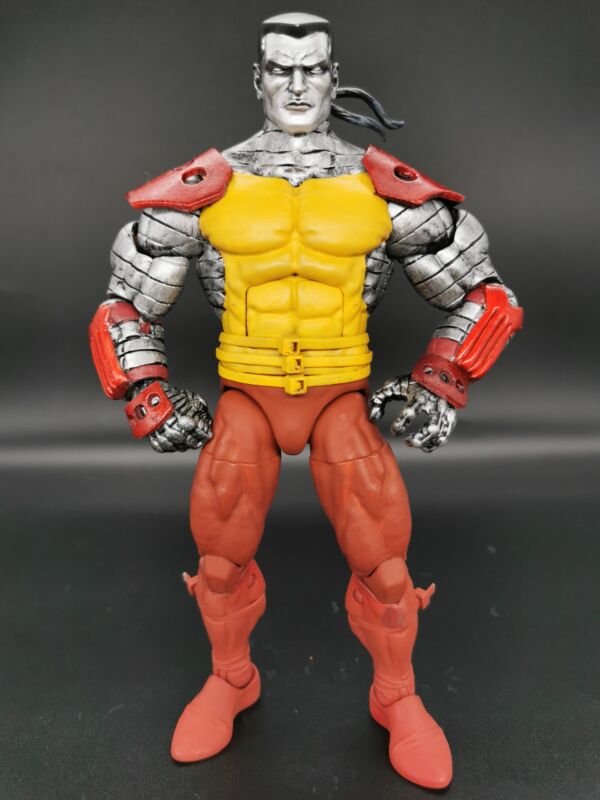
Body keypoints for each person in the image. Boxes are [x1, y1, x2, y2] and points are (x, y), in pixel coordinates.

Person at [89, 12, 522, 790]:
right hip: (247, 395)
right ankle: (231, 678)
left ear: (334, 77)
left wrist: (441, 381)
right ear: (256, 78)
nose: (296, 84)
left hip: (338, 395)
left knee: (385, 567)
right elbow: (124, 304)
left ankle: (396, 695)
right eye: (280, 69)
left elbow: (486, 295)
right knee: (219, 560)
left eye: (311, 68)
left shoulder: (381, 186)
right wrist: (147, 395)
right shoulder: (206, 187)